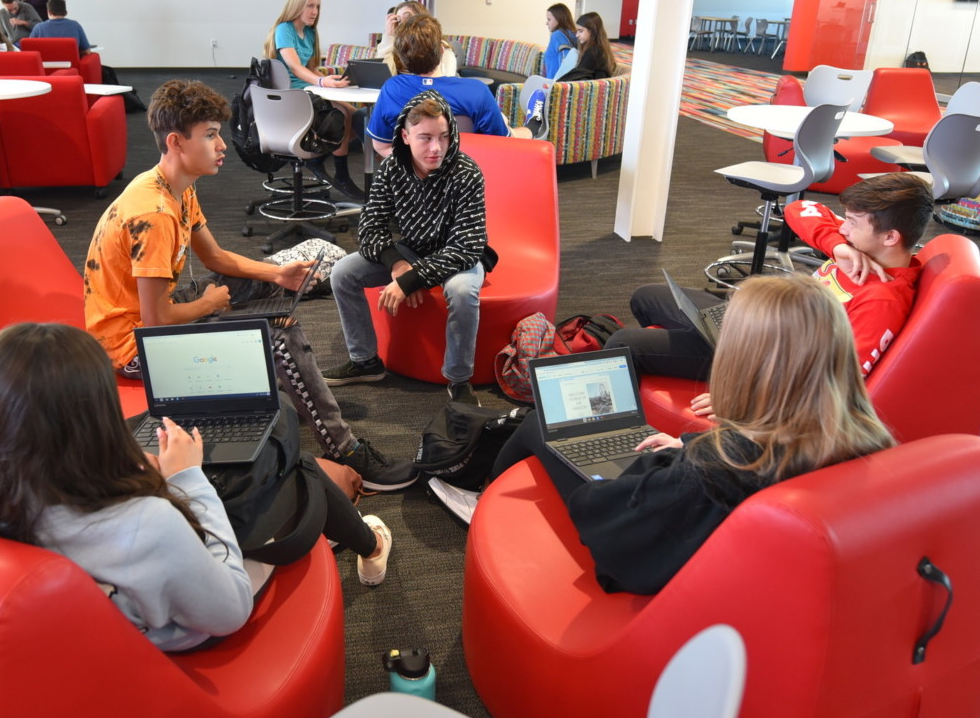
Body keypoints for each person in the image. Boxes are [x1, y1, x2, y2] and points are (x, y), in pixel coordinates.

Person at [84, 79, 417, 493]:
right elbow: (154, 323)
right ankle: (344, 447)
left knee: (265, 290)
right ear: (176, 142)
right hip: (134, 349)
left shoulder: (174, 187)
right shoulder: (154, 214)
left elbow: (216, 258)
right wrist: (208, 305)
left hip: (152, 314)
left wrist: (274, 274)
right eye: (209, 135)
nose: (222, 145)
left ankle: (272, 384)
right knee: (280, 335)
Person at [489, 275, 895, 595]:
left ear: (744, 363)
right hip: (769, 578)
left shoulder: (718, 469)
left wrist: (666, 465)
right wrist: (687, 445)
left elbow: (611, 532)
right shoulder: (866, 441)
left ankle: (483, 500)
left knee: (538, 424)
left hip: (667, 580)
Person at [0, 323, 253, 651]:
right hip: (146, 661)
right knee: (260, 538)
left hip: (35, 657)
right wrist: (187, 477)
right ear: (100, 416)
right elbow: (230, 613)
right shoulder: (148, 522)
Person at [607, 172, 933, 402]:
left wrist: (747, 396)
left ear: (891, 237)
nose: (843, 226)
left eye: (852, 222)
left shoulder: (882, 300)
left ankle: (616, 428)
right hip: (755, 325)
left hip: (761, 359)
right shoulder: (858, 245)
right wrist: (836, 245)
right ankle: (667, 361)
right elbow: (798, 209)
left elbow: (839, 381)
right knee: (646, 296)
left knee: (624, 344)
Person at [325, 91, 491, 406]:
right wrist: (400, 266)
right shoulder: (391, 169)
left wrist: (413, 279)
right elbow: (369, 228)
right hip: (411, 249)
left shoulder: (466, 172)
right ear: (405, 135)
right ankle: (365, 360)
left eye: (443, 137)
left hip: (457, 256)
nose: (436, 147)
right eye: (425, 137)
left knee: (462, 292)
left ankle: (458, 379)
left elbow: (466, 246)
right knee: (342, 272)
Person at [263, 0, 365, 200]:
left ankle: (317, 159)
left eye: (317, 6)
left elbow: (309, 68)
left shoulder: (310, 32)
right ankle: (342, 174)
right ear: (296, 5)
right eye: (310, 6)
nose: (314, 12)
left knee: (355, 116)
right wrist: (321, 81)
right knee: (343, 114)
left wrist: (332, 80)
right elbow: (295, 67)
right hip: (290, 96)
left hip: (309, 91)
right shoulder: (285, 29)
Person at [365, 14, 516, 159]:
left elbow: (381, 146)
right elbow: (501, 144)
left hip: (413, 181)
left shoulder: (392, 89)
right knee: (510, 127)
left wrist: (416, 165)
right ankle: (533, 127)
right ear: (442, 50)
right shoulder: (476, 90)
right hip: (465, 177)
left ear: (402, 58)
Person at [376, 0, 459, 77]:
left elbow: (444, 83)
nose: (403, 24)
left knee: (455, 46)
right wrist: (388, 37)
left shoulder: (442, 49)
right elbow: (382, 76)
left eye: (408, 18)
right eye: (399, 20)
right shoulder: (398, 47)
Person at [559, 11, 619, 81]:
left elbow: (579, 75)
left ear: (592, 31)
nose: (577, 35)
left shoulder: (593, 51)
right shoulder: (600, 49)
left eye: (580, 31)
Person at [541, 3, 579, 79]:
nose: (546, 23)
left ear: (558, 19)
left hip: (556, 85)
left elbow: (565, 63)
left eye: (549, 19)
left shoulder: (557, 35)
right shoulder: (573, 34)